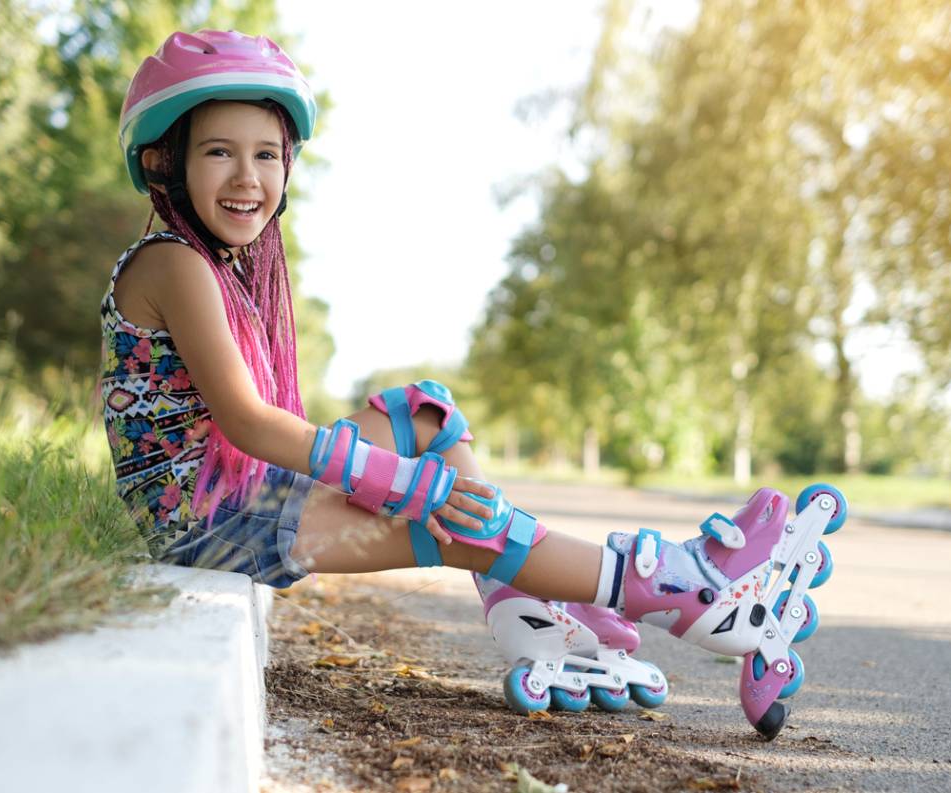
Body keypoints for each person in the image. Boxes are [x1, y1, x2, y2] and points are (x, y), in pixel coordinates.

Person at [101, 28, 845, 739]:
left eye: (267, 154)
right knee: (459, 523)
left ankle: (526, 604)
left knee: (422, 414)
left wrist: (411, 472)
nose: (247, 177)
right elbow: (251, 423)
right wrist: (408, 488)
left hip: (242, 491)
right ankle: (695, 590)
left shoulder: (214, 266)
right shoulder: (175, 264)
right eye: (219, 152)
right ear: (168, 162)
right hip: (213, 522)